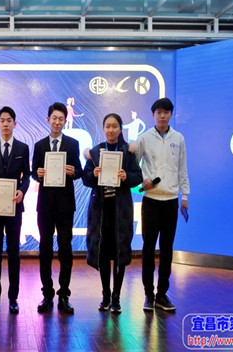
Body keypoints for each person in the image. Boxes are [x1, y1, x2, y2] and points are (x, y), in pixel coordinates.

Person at [130, 97, 190, 312]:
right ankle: (148, 294)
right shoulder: (144, 138)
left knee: (167, 249)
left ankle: (162, 294)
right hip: (151, 201)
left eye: (166, 112)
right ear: (153, 115)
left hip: (171, 201)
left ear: (171, 114)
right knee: (148, 249)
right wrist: (141, 183)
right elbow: (133, 167)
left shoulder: (178, 138)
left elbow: (182, 168)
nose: (162, 116)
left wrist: (185, 196)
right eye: (159, 112)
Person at [82, 113, 142, 314]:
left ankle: (116, 297)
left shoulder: (127, 151)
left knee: (120, 253)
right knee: (103, 253)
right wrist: (93, 174)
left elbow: (138, 176)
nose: (110, 130)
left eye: (114, 126)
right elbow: (85, 179)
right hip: (101, 211)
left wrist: (127, 176)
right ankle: (105, 294)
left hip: (120, 210)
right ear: (103, 128)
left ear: (120, 128)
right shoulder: (95, 152)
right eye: (107, 126)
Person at [31, 102, 83, 314]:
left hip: (65, 205)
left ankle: (64, 295)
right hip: (45, 205)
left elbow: (79, 171)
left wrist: (73, 172)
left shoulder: (72, 144)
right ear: (48, 119)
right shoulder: (40, 145)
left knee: (65, 249)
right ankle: (47, 294)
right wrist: (38, 174)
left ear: (65, 121)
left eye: (61, 118)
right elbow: (33, 172)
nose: (57, 122)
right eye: (54, 118)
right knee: (45, 249)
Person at [0, 106, 31, 315]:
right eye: (2, 120)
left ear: (15, 123)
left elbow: (27, 176)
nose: (5, 123)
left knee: (13, 251)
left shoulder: (23, 148)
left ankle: (13, 297)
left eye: (9, 120)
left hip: (14, 206)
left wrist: (22, 190)